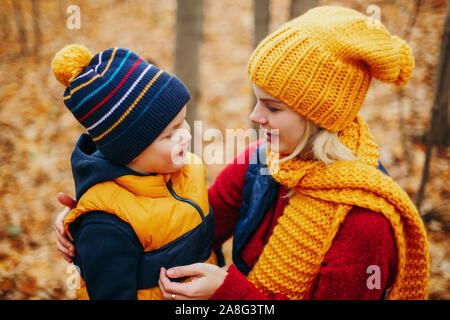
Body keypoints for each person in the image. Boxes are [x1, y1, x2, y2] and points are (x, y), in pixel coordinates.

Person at [55, 6, 429, 300]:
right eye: (256, 100)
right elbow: (191, 222)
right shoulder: (262, 162)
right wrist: (99, 225)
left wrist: (228, 295)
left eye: (273, 107)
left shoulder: (366, 223)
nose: (254, 116)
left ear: (320, 116)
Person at [51, 44, 216, 300]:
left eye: (183, 121)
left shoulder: (188, 168)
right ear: (132, 151)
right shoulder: (107, 223)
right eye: (170, 133)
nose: (186, 134)